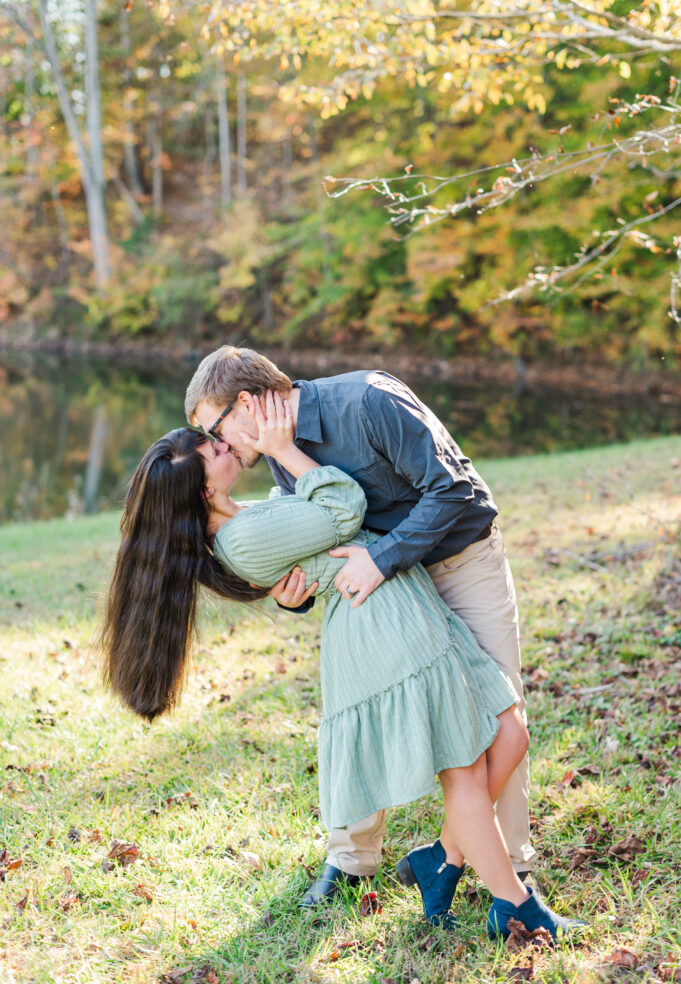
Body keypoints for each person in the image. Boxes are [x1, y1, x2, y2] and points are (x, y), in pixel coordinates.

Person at [100, 396, 583, 941]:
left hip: (405, 603)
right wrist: (284, 448)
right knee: (466, 767)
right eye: (214, 447)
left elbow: (309, 535)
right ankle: (515, 907)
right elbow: (342, 506)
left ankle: (442, 860)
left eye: (215, 435)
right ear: (205, 491)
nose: (225, 443)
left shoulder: (247, 517)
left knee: (509, 733)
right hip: (384, 624)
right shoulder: (242, 536)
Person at [183, 346, 537, 908]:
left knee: (500, 709)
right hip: (383, 588)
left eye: (218, 430)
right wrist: (292, 591)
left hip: (460, 561)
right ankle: (351, 858)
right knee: (363, 704)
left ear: (247, 403)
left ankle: (508, 862)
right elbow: (310, 527)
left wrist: (383, 557)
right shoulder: (277, 448)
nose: (224, 448)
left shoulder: (369, 399)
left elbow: (454, 490)